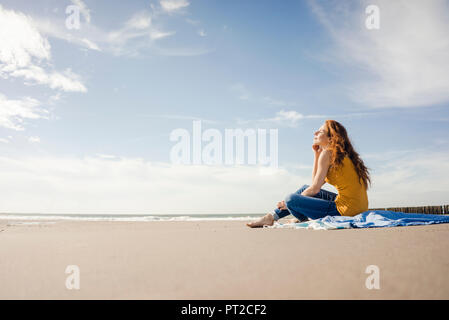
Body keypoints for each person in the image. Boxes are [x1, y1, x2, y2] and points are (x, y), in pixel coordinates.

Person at [246, 120, 371, 228]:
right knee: (305, 189)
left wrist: (286, 204)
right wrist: (316, 156)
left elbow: (315, 189)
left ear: (330, 138)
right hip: (358, 207)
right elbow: (314, 184)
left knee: (291, 199)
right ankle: (271, 216)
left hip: (346, 210)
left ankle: (293, 218)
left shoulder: (328, 153)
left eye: (320, 131)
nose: (315, 133)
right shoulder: (339, 154)